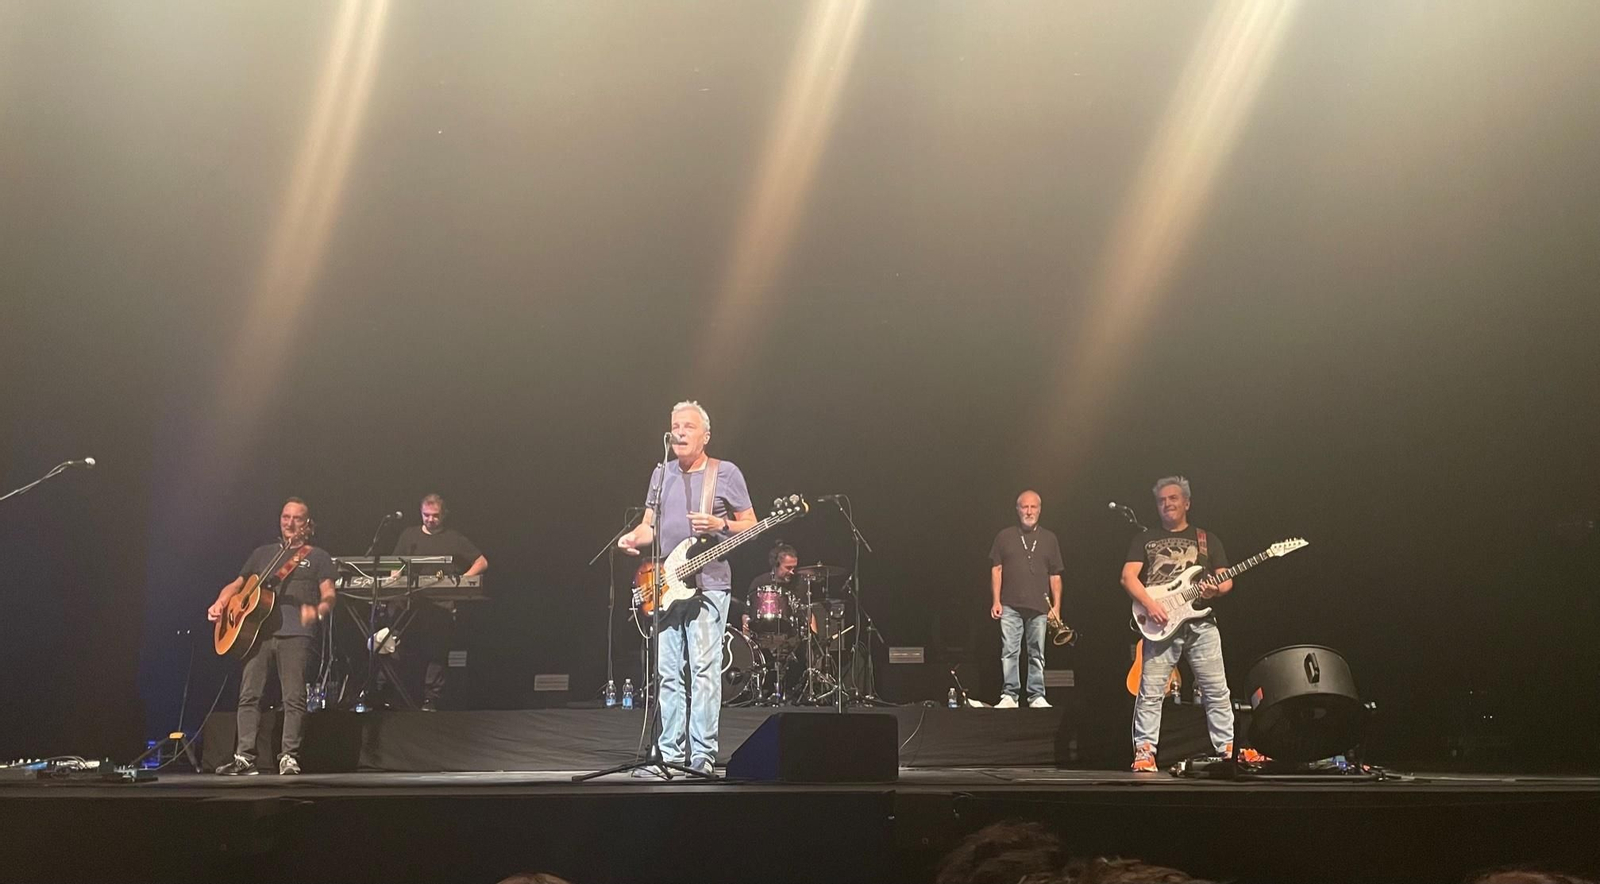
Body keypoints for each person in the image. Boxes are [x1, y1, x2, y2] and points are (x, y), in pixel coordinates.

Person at [617, 400, 755, 777]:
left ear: (705, 436)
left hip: (709, 584)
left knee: (704, 670)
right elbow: (650, 525)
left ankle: (702, 756)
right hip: (665, 587)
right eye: (675, 425)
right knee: (666, 672)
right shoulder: (660, 474)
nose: (679, 431)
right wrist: (633, 537)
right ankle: (669, 755)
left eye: (688, 426)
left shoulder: (724, 473)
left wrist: (718, 525)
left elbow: (752, 524)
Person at [207, 498, 337, 775]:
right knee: (249, 695)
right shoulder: (263, 553)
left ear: (308, 524)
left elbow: (329, 595)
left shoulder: (317, 556)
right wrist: (220, 603)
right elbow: (237, 585)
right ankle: (244, 758)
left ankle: (289, 756)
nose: (290, 523)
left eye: (297, 519)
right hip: (258, 634)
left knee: (293, 697)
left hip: (296, 633)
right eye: (285, 517)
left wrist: (319, 609)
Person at [1121, 476, 1237, 772]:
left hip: (1201, 623)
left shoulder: (1206, 539)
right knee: (1150, 690)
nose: (1167, 504)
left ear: (1186, 502)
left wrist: (1214, 589)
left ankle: (1227, 751)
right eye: (1161, 500)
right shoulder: (1144, 539)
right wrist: (1151, 605)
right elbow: (1128, 577)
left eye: (1173, 499)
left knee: (1216, 690)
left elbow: (1226, 581)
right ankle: (1145, 752)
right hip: (1159, 623)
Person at [390, 493, 488, 710]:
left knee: (436, 654)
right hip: (411, 604)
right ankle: (404, 698)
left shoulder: (453, 538)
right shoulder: (409, 536)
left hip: (441, 606)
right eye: (426, 515)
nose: (430, 520)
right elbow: (396, 564)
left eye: (435, 516)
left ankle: (431, 700)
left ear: (444, 515)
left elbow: (481, 562)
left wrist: (462, 581)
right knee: (406, 651)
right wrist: (394, 581)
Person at [988, 490, 1063, 708]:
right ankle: (1010, 694)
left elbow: (1055, 575)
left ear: (1040, 510)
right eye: (1024, 507)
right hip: (1009, 604)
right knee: (1009, 651)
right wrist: (996, 601)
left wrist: (1057, 607)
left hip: (1039, 606)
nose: (1029, 511)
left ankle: (1036, 695)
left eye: (1033, 507)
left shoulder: (1049, 538)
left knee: (1037, 652)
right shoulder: (1004, 536)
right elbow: (996, 569)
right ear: (1017, 509)